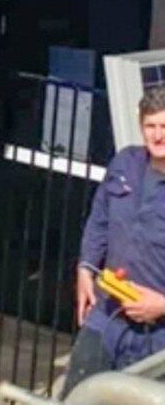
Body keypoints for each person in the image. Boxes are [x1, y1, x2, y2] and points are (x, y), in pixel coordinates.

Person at [61, 85, 165, 398]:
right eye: (151, 126)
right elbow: (99, 220)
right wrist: (85, 269)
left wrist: (161, 305)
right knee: (76, 396)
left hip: (157, 338)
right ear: (140, 126)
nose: (158, 135)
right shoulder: (125, 163)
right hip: (107, 315)